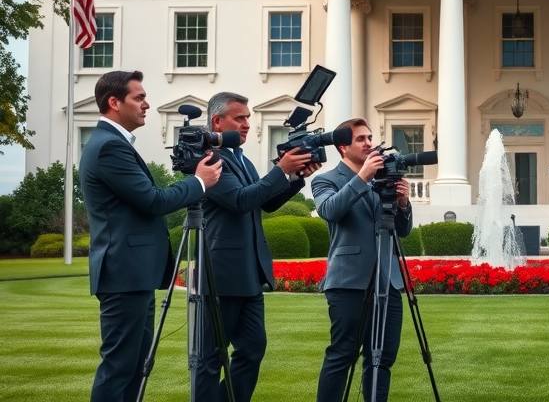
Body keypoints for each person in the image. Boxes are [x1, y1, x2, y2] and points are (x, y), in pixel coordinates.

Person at [79, 70, 222, 402]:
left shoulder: (114, 144)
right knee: (119, 367)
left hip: (133, 273)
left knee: (133, 367)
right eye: (139, 97)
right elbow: (153, 201)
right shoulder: (107, 147)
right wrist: (199, 182)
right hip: (123, 273)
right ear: (114, 102)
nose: (147, 104)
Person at [195, 92, 321, 402]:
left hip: (250, 274)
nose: (247, 124)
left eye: (248, 118)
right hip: (220, 276)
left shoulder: (242, 159)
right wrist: (279, 170)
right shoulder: (210, 160)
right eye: (240, 118)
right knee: (211, 357)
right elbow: (239, 202)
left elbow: (261, 203)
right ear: (217, 121)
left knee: (252, 350)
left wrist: (293, 177)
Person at [312, 117, 412, 402]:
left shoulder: (385, 178)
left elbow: (402, 231)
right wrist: (363, 177)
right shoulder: (326, 179)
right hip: (349, 281)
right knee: (342, 355)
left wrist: (403, 204)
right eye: (361, 139)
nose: (369, 143)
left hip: (388, 281)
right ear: (343, 147)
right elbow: (330, 210)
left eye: (370, 138)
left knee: (382, 358)